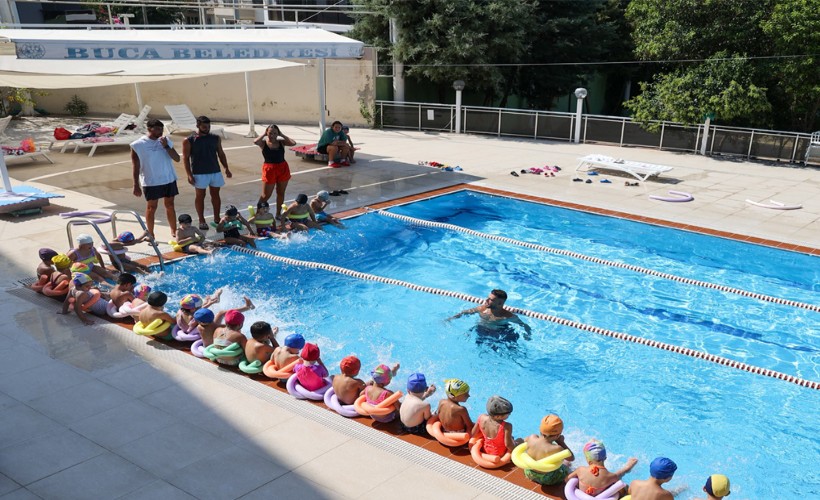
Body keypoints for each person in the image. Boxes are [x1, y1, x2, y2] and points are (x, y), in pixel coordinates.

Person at [131, 118, 181, 239]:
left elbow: (177, 158)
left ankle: (174, 230)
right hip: (151, 181)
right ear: (149, 129)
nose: (160, 132)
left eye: (161, 129)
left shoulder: (166, 141)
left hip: (168, 178)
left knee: (170, 205)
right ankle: (151, 233)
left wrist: (166, 146)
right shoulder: (138, 145)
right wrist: (136, 185)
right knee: (151, 207)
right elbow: (135, 165)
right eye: (157, 129)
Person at [182, 115, 232, 230]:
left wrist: (226, 168)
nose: (207, 129)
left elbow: (221, 153)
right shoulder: (189, 140)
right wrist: (189, 175)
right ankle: (201, 220)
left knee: (216, 195)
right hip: (199, 173)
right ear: (198, 126)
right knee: (200, 196)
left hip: (215, 171)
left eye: (208, 126)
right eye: (204, 127)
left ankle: (216, 218)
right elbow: (185, 158)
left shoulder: (215, 138)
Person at [448, 289, 532, 341]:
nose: (486, 300)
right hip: (481, 329)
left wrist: (527, 335)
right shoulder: (482, 309)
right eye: (488, 297)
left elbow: (524, 325)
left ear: (500, 303)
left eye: (490, 299)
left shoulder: (506, 316)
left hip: (500, 332)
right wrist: (450, 319)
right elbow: (465, 312)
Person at [254, 124, 296, 219]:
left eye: (275, 133)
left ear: (278, 133)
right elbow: (255, 141)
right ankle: (258, 213)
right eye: (270, 133)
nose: (272, 135)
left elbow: (293, 143)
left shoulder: (281, 142)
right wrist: (264, 134)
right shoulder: (263, 143)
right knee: (265, 195)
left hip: (282, 168)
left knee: (281, 192)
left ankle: (278, 213)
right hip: (269, 169)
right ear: (266, 133)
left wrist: (282, 134)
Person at [567, 440, 637, 496]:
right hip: (603, 495)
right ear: (605, 458)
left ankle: (625, 469)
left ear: (588, 461)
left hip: (579, 496)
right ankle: (626, 468)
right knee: (619, 478)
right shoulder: (611, 476)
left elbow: (567, 479)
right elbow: (621, 491)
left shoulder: (581, 470)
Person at [521, 414, 575, 486]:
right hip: (547, 479)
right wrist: (561, 442)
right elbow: (571, 458)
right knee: (567, 463)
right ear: (558, 435)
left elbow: (524, 443)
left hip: (529, 473)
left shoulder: (531, 437)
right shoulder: (556, 448)